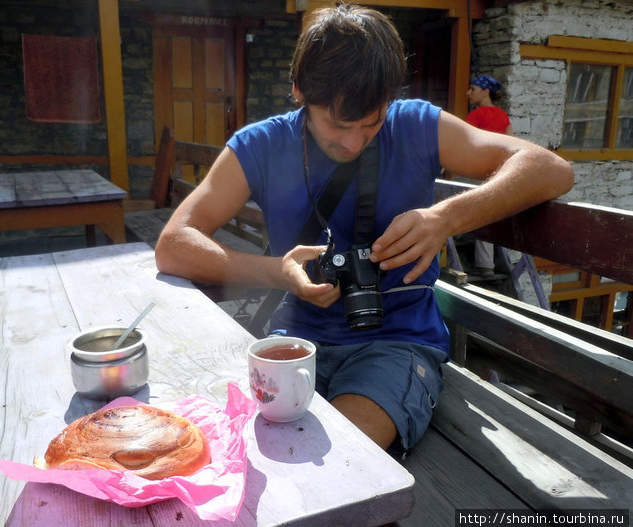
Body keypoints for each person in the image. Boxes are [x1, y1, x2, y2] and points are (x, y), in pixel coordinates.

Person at [155, 4, 573, 452]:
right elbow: (174, 245)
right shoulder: (261, 144)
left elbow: (550, 169)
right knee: (235, 449)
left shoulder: (415, 125)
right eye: (338, 124)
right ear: (299, 90)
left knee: (344, 458)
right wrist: (277, 272)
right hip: (296, 335)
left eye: (372, 123)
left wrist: (445, 218)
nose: (354, 142)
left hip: (397, 342)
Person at [465, 74, 514, 277]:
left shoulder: (475, 116)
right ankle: (486, 265)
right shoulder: (503, 117)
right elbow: (511, 143)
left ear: (486, 92)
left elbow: (464, 144)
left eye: (473, 89)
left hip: (476, 171)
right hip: (495, 172)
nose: (469, 93)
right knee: (487, 215)